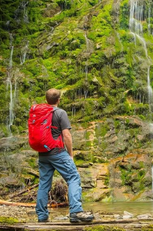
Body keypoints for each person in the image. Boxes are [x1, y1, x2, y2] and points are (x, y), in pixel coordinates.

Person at [35, 88, 94, 223]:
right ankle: (76, 212)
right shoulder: (61, 113)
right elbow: (66, 135)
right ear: (58, 100)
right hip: (58, 152)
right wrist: (70, 154)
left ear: (46, 100)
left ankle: (42, 216)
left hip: (43, 153)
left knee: (44, 184)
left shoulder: (39, 114)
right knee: (73, 178)